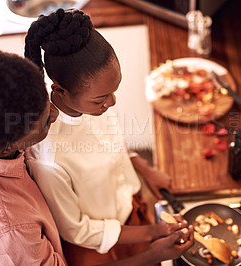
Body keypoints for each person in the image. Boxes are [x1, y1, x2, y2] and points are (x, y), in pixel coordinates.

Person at [0, 49, 194, 266]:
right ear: (7, 148)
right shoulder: (12, 237)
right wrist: (152, 255)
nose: (56, 115)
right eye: (46, 122)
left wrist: (140, 164)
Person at [24, 8, 186, 265]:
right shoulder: (49, 158)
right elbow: (76, 229)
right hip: (102, 245)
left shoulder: (94, 105)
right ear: (60, 90)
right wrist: (152, 232)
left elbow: (110, 144)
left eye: (115, 89)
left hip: (130, 211)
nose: (112, 102)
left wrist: (143, 166)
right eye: (101, 98)